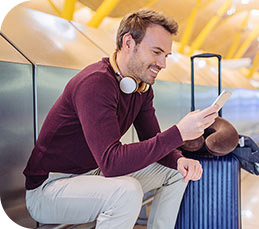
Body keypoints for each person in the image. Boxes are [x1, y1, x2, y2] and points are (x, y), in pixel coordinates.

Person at [23, 9, 219, 229]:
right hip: (50, 188)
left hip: (92, 174)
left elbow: (153, 138)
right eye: (156, 52)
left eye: (166, 55)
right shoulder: (95, 83)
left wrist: (177, 160)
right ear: (128, 43)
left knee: (175, 173)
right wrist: (179, 133)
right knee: (126, 191)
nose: (162, 63)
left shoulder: (141, 87)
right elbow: (112, 163)